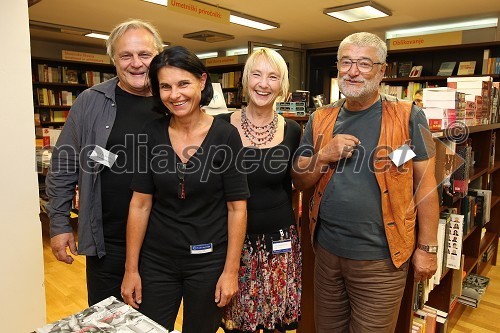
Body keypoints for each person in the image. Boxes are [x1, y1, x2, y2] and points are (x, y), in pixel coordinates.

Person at [292, 32, 439, 333]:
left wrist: (428, 247)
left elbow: (426, 184)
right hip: (327, 255)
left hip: (382, 262)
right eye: (346, 62)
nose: (353, 71)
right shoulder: (320, 118)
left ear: (382, 70)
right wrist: (323, 155)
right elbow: (299, 180)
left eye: (364, 63)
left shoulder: (410, 117)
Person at [120, 46, 249, 333]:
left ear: (202, 82)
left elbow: (236, 208)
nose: (174, 94)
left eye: (183, 84)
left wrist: (230, 272)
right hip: (157, 262)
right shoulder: (150, 133)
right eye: (165, 86)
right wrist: (131, 270)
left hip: (208, 262)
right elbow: (139, 204)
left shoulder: (226, 135)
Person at [45, 19, 164, 305]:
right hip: (106, 242)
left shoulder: (174, 100)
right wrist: (59, 225)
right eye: (126, 55)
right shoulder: (90, 102)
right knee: (105, 319)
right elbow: (64, 166)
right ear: (114, 60)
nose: (136, 63)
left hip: (163, 243)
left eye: (144, 55)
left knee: (154, 323)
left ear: (158, 56)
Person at [218, 48, 302, 332]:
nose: (263, 84)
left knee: (275, 322)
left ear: (282, 85)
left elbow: (294, 184)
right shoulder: (219, 127)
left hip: (279, 242)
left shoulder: (292, 130)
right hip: (232, 245)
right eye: (256, 74)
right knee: (237, 323)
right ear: (245, 80)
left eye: (273, 77)